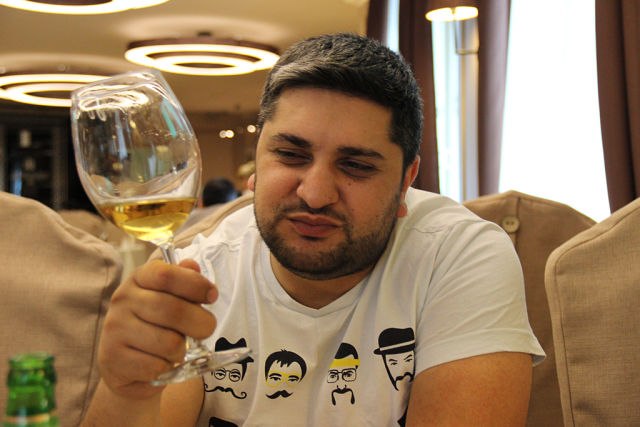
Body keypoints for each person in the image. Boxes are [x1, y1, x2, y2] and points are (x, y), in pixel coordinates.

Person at [81, 33, 544, 426]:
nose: (316, 194)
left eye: (356, 165)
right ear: (257, 164)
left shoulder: (458, 256)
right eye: (291, 155)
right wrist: (127, 391)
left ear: (406, 181)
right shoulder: (200, 272)